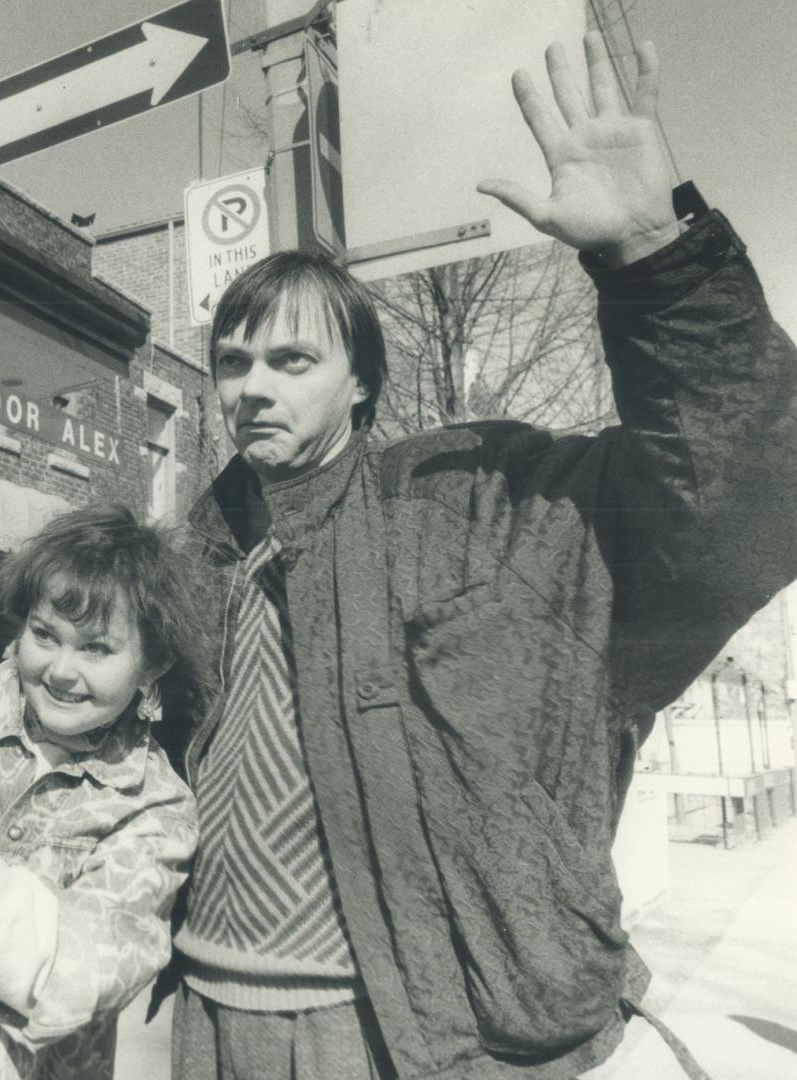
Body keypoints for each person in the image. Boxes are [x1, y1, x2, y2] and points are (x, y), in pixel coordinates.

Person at [160, 33, 797, 1080]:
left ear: (359, 383)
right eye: (231, 362)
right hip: (206, 1017)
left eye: (289, 359)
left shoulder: (471, 503)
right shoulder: (203, 551)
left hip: (398, 1040)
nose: (251, 387)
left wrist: (657, 262)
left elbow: (736, 508)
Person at [0, 504, 204, 1079]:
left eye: (96, 648)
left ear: (152, 664)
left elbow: (77, 978)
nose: (60, 670)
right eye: (45, 635)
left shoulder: (154, 808)